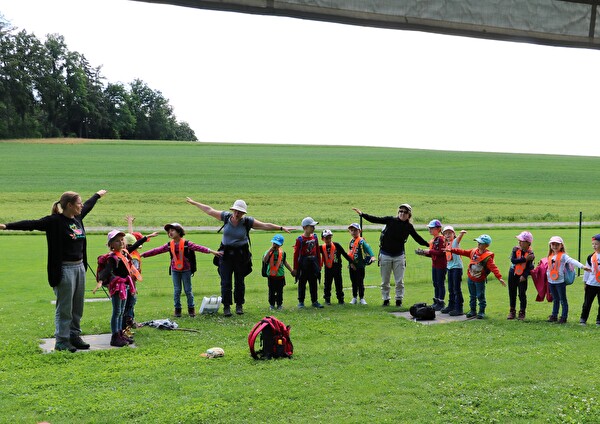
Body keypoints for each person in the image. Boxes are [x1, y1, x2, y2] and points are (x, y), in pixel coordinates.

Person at [0, 189, 107, 352]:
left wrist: (97, 195)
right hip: (64, 269)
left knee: (77, 306)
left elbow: (89, 206)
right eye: (79, 203)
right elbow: (31, 224)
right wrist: (6, 226)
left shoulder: (77, 217)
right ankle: (62, 341)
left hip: (79, 268)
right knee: (65, 307)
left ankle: (74, 336)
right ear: (70, 205)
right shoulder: (54, 221)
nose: (81, 206)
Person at [185, 198, 293, 316]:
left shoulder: (247, 222)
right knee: (225, 281)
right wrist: (194, 203)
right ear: (232, 210)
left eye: (240, 212)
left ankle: (239, 305)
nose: (237, 214)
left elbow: (265, 225)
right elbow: (210, 210)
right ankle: (226, 306)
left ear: (244, 213)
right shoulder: (226, 217)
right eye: (236, 211)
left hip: (241, 256)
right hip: (225, 255)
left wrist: (281, 228)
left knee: (239, 282)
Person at [352, 204, 429, 307]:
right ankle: (386, 299)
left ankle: (398, 300)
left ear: (409, 215)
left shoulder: (408, 227)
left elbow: (417, 238)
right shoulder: (390, 220)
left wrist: (430, 245)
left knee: (399, 281)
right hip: (385, 255)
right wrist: (362, 214)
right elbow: (376, 219)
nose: (402, 213)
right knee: (385, 281)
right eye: (400, 211)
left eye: (405, 212)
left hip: (399, 256)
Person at [141, 223, 222, 318]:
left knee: (188, 290)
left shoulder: (187, 244)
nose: (170, 233)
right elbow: (156, 250)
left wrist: (212, 251)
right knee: (177, 290)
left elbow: (199, 248)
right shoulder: (168, 245)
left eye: (172, 230)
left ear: (179, 231)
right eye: (168, 231)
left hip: (186, 270)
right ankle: (177, 309)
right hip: (175, 270)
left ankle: (191, 309)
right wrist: (143, 254)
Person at [95, 230, 141, 347]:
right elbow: (107, 270)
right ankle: (115, 337)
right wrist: (100, 281)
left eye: (122, 240)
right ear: (111, 245)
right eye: (117, 241)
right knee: (117, 311)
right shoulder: (113, 258)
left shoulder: (124, 253)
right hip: (117, 286)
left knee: (122, 311)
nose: (121, 242)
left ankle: (120, 334)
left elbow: (134, 246)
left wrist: (146, 237)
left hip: (125, 285)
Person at [448, 234, 506, 319]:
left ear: (487, 245)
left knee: (480, 296)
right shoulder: (473, 251)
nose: (478, 244)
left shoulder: (487, 257)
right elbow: (463, 252)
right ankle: (473, 311)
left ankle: (481, 312)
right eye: (478, 242)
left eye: (481, 243)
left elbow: (494, 268)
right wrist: (451, 250)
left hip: (479, 280)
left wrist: (499, 277)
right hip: (470, 278)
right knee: (472, 296)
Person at [122, 215, 158, 333]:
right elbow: (133, 273)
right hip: (129, 284)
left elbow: (130, 235)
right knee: (130, 303)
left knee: (127, 303)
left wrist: (130, 223)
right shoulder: (134, 255)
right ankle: (128, 322)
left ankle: (127, 322)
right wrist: (133, 287)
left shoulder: (128, 251)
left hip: (125, 284)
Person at [545, 236, 589, 324]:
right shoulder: (550, 256)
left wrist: (582, 266)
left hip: (560, 282)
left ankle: (564, 317)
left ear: (561, 245)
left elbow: (572, 261)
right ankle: (554, 315)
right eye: (553, 244)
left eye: (557, 244)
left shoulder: (563, 256)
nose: (555, 246)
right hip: (551, 282)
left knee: (562, 299)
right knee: (555, 299)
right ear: (550, 245)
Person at [415, 219, 447, 311]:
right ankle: (436, 301)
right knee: (435, 283)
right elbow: (434, 253)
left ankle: (441, 302)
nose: (430, 230)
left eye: (432, 228)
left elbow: (441, 252)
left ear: (438, 229)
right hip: (435, 265)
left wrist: (428, 251)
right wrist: (423, 253)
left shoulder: (441, 239)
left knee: (440, 284)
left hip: (441, 265)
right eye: (429, 228)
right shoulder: (434, 239)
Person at [294, 217, 324, 309]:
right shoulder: (300, 239)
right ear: (305, 228)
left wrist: (319, 264)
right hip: (303, 265)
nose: (313, 228)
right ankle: (301, 302)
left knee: (313, 283)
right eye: (311, 226)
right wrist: (295, 268)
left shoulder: (315, 237)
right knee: (302, 283)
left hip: (313, 264)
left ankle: (314, 301)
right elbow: (296, 254)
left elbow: (318, 252)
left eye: (314, 226)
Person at [507, 231, 535, 321]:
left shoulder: (531, 254)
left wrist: (525, 275)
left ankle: (522, 312)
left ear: (528, 243)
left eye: (521, 241)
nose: (519, 242)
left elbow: (530, 267)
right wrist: (525, 259)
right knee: (512, 292)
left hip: (522, 276)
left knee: (522, 294)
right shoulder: (515, 249)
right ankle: (512, 311)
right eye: (519, 240)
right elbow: (513, 260)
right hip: (513, 273)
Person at [320, 229, 353, 305]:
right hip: (328, 269)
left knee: (339, 284)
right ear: (322, 239)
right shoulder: (321, 248)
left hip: (337, 268)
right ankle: (327, 299)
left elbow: (344, 254)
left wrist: (351, 262)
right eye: (326, 238)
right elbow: (314, 252)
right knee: (327, 284)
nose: (328, 240)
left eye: (329, 238)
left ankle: (341, 299)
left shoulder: (336, 245)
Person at [262, 234, 294, 310]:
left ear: (281, 245)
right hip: (271, 276)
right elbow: (265, 260)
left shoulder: (283, 253)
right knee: (271, 291)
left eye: (277, 244)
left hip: (280, 276)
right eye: (274, 243)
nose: (275, 245)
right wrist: (270, 250)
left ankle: (279, 304)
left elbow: (285, 263)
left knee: (280, 292)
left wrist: (291, 271)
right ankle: (272, 304)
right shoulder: (267, 252)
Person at [347, 223, 376, 305]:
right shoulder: (351, 241)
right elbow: (350, 253)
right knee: (353, 282)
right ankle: (354, 297)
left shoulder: (361, 241)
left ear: (359, 231)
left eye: (355, 230)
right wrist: (351, 263)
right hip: (352, 266)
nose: (353, 232)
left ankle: (362, 298)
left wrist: (372, 256)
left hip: (360, 266)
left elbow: (368, 248)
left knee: (360, 282)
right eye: (351, 230)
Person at [442, 226, 467, 316]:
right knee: (450, 288)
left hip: (457, 268)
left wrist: (461, 234)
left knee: (456, 289)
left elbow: (459, 239)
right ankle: (451, 305)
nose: (448, 235)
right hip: (450, 268)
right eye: (446, 233)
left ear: (454, 234)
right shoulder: (447, 244)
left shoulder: (455, 242)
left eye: (450, 233)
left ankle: (459, 308)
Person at [580, 234, 600, 325]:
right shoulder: (590, 257)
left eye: (596, 244)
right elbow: (587, 271)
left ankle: (599, 320)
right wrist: (585, 282)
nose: (594, 246)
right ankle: (583, 319)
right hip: (591, 284)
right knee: (587, 303)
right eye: (593, 244)